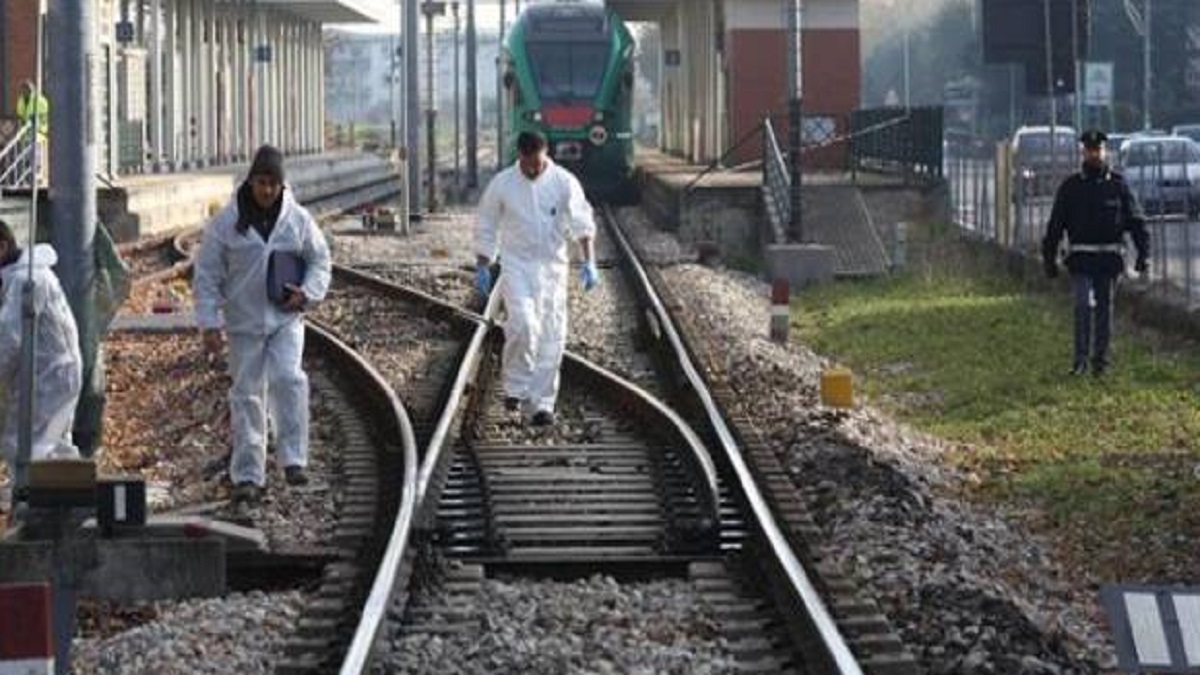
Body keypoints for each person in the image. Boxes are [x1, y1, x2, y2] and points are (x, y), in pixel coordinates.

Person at [193, 145, 331, 504]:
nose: (267, 190)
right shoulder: (225, 224)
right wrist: (209, 324)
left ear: (282, 185)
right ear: (251, 181)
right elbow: (207, 275)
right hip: (243, 323)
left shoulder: (297, 219)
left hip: (285, 319)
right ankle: (249, 473)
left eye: (273, 183)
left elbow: (320, 260)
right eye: (261, 182)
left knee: (289, 379)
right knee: (247, 394)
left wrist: (308, 293)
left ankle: (293, 459)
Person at [475, 130, 599, 426]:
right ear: (520, 156)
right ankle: (516, 388)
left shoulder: (563, 182)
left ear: (546, 155)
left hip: (553, 268)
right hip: (516, 264)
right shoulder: (503, 184)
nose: (533, 169)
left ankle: (542, 404)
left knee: (551, 335)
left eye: (538, 164)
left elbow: (583, 222)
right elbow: (487, 223)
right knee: (523, 324)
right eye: (528, 164)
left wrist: (589, 261)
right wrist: (483, 262)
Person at [1042, 128, 1150, 377]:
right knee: (1082, 305)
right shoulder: (1071, 186)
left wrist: (1144, 254)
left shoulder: (1118, 185)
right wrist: (1049, 257)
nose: (1094, 155)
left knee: (1104, 309)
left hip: (1109, 260)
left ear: (1105, 152)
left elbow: (1136, 220)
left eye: (1098, 150)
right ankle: (1079, 361)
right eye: (1090, 150)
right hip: (1081, 259)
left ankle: (1100, 362)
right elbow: (1056, 224)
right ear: (1083, 152)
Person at [0, 219, 82, 466]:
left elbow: (9, 340)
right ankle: (69, 495)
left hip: (50, 377)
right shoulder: (21, 277)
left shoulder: (26, 281)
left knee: (27, 446)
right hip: (49, 375)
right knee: (52, 446)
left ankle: (34, 501)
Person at [15, 80, 49, 184]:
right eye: (23, 89)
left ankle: (38, 180)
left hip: (38, 133)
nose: (25, 91)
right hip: (26, 135)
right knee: (27, 159)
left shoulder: (41, 101)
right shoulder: (21, 100)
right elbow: (20, 115)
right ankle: (28, 180)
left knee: (37, 158)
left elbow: (45, 117)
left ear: (32, 89)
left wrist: (37, 122)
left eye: (28, 89)